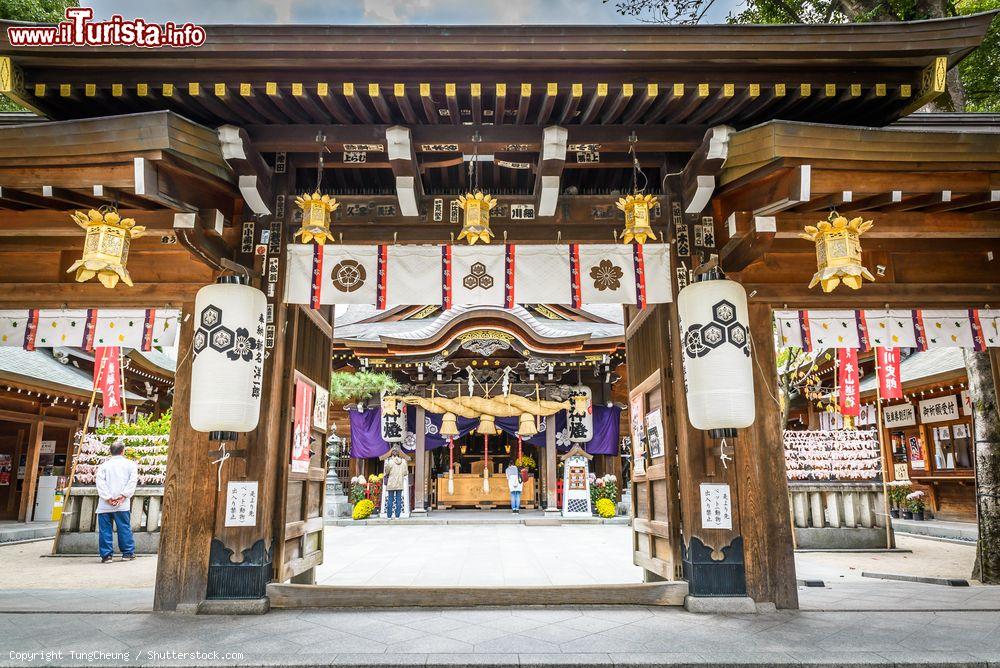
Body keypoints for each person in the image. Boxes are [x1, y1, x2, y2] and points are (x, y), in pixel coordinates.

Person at [94, 440, 138, 563]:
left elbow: (100, 483)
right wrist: (123, 496)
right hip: (122, 504)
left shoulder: (104, 465)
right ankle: (127, 553)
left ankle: (106, 555)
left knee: (105, 530)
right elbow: (132, 482)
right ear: (123, 451)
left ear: (110, 451)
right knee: (124, 528)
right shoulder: (130, 465)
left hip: (105, 504)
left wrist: (108, 498)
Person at [383, 449, 407, 519]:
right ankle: (397, 516)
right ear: (398, 455)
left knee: (390, 499)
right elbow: (405, 473)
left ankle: (389, 516)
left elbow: (386, 471)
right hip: (399, 482)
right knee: (398, 500)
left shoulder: (390, 462)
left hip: (391, 483)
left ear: (392, 455)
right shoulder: (403, 462)